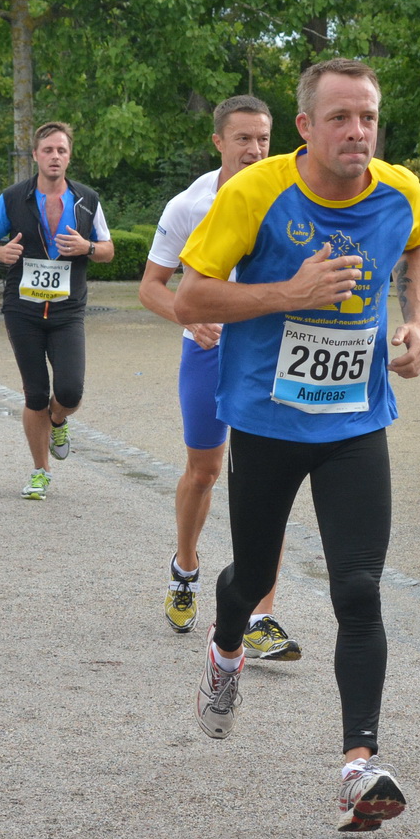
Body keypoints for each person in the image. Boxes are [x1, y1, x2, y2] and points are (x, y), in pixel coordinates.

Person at [174, 57, 420, 831]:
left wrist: (418, 321)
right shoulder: (254, 193)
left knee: (359, 587)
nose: (358, 132)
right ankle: (226, 651)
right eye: (340, 118)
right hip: (267, 419)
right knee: (252, 576)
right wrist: (288, 295)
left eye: (368, 118)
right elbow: (189, 294)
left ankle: (361, 764)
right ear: (305, 128)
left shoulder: (400, 190)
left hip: (355, 423)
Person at [140, 95, 298, 658]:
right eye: (243, 139)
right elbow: (151, 285)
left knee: (270, 480)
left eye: (263, 138)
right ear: (219, 142)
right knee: (203, 472)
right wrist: (190, 313)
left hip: (271, 351)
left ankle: (261, 613)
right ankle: (185, 566)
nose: (256, 150)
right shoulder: (189, 205)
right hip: (208, 350)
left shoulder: (291, 192)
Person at [0, 122, 115, 499]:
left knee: (69, 391)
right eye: (48, 150)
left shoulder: (87, 199)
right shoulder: (12, 198)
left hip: (67, 309)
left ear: (69, 156)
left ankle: (58, 419)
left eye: (62, 151)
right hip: (22, 309)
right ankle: (40, 470)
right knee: (35, 393)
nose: (55, 156)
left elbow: (108, 250)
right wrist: (0, 253)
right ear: (36, 155)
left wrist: (86, 247)